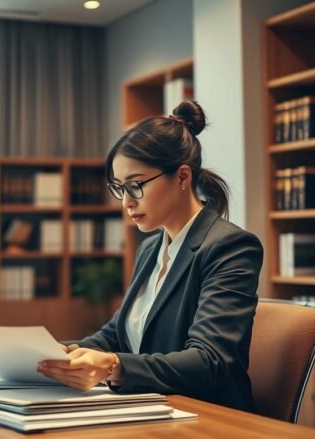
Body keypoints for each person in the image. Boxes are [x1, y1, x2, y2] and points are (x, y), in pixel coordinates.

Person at [36, 100, 264, 412]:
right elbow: (117, 335)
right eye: (119, 188)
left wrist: (114, 365)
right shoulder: (150, 248)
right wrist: (57, 355)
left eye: (136, 186)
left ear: (182, 178)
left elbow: (210, 361)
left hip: (207, 418)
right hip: (154, 409)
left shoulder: (231, 247)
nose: (126, 203)